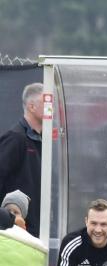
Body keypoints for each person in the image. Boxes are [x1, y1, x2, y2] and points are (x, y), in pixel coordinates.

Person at [0, 83, 43, 235]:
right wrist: (9, 219)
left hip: (36, 230)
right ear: (32, 106)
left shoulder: (43, 142)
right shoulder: (15, 139)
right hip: (15, 233)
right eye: (47, 103)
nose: (53, 108)